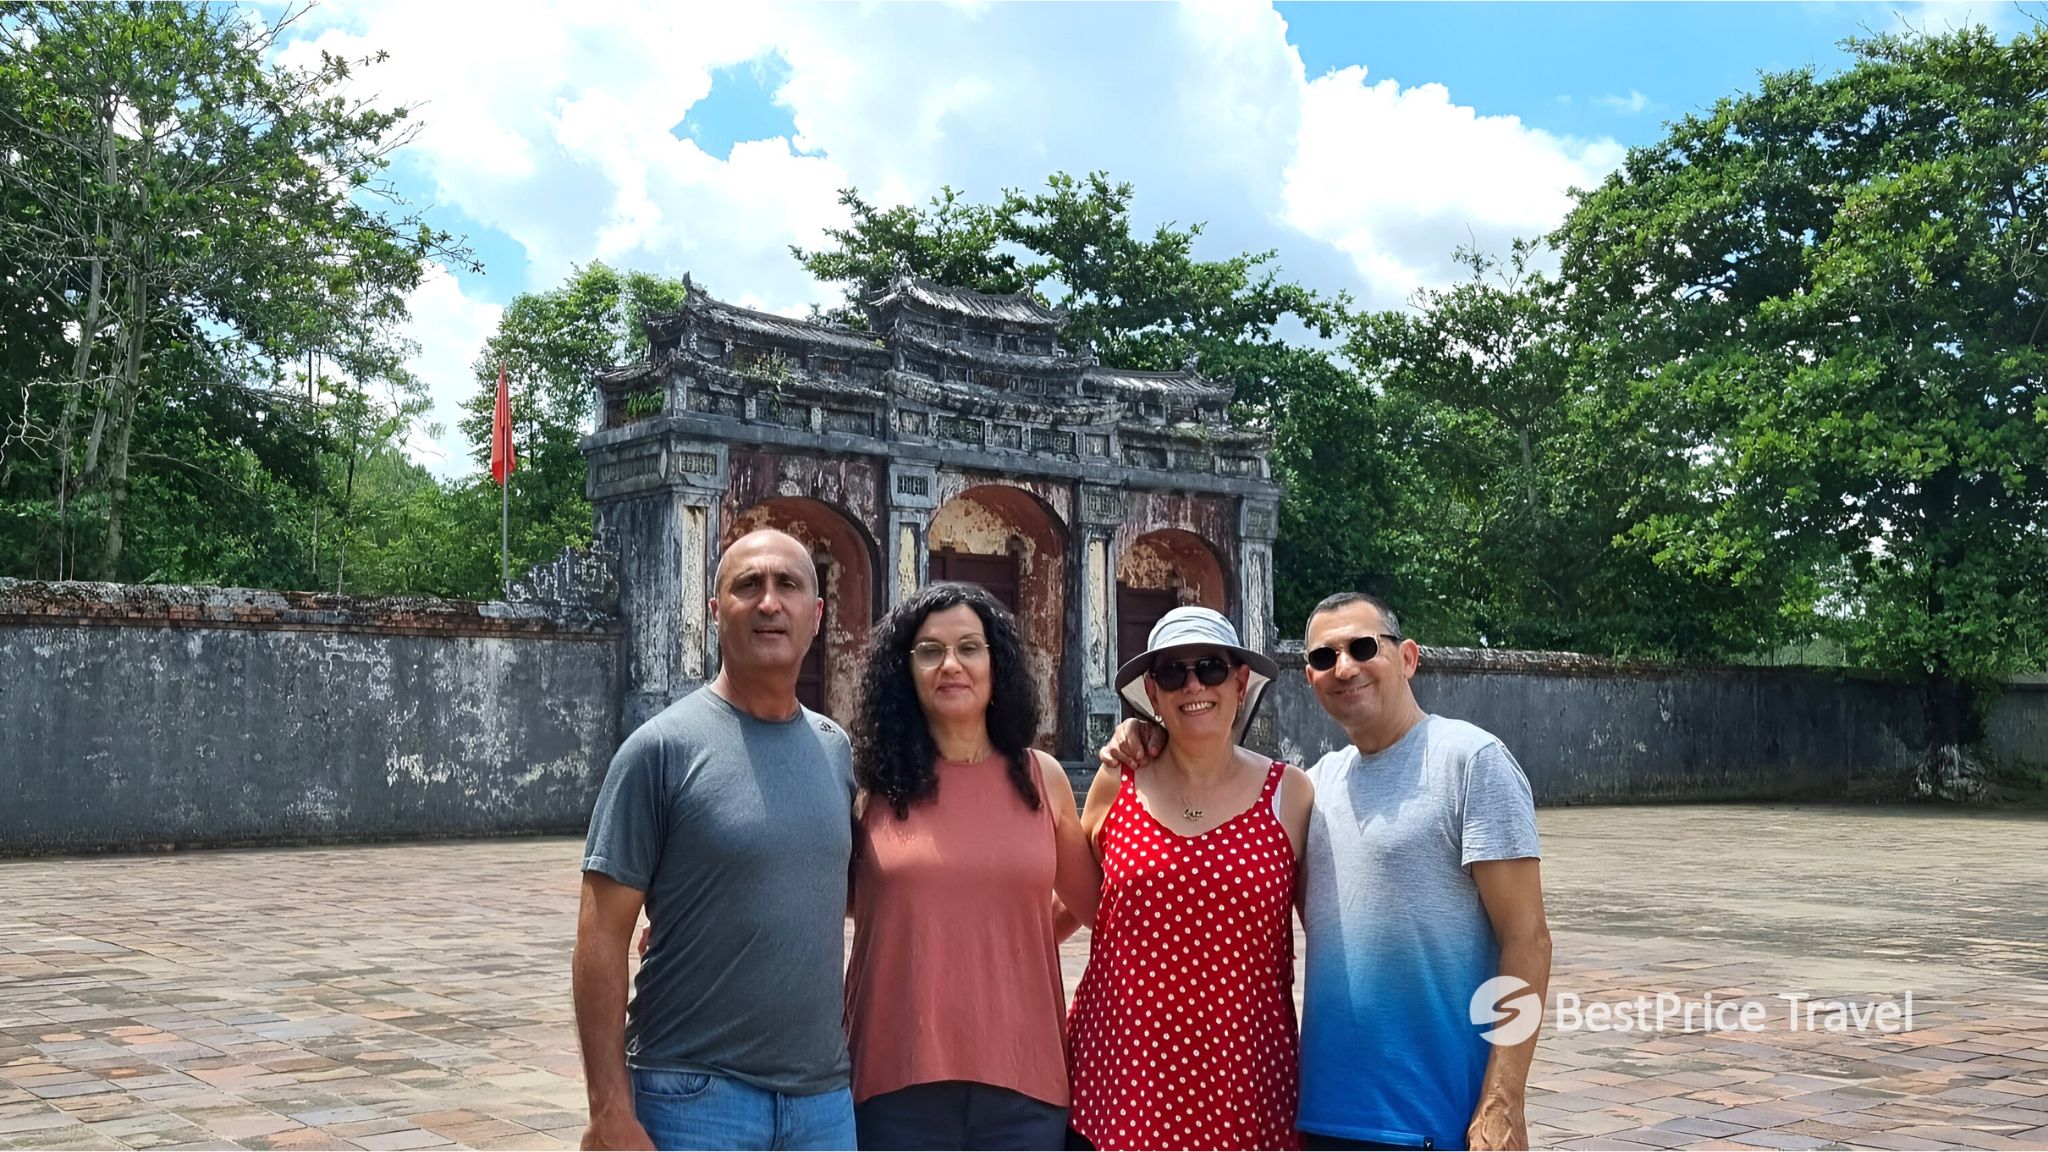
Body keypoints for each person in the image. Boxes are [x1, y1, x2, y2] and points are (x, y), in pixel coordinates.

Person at [1102, 591, 1551, 1152]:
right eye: (1322, 657)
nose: (1344, 668)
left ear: (1408, 657)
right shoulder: (1314, 787)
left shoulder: (1470, 761)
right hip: (1322, 1112)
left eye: (1363, 647)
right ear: (1309, 678)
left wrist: (1503, 1098)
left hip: (1436, 1114)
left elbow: (1527, 940)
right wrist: (1148, 738)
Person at [573, 529, 857, 1152]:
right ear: (714, 611)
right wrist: (609, 1110)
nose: (768, 602)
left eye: (788, 585)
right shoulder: (661, 751)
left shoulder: (835, 751)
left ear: (817, 614)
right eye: (747, 585)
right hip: (692, 1095)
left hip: (823, 1101)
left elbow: (852, 892)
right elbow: (601, 935)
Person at [842, 582, 1100, 1150]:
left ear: (996, 664)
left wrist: (1014, 934)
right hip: (892, 1080)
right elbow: (812, 893)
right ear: (904, 671)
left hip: (1024, 1080)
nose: (950, 665)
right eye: (930, 651)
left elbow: (1098, 908)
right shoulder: (869, 790)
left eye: (969, 647)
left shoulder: (1042, 779)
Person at [1066, 606, 1314, 1152]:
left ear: (1241, 680)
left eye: (1210, 668)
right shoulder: (1118, 780)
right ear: (1153, 693)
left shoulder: (1290, 794)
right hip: (1122, 1080)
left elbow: (1330, 934)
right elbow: (1076, 903)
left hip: (1243, 1085)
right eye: (1173, 673)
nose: (1193, 685)